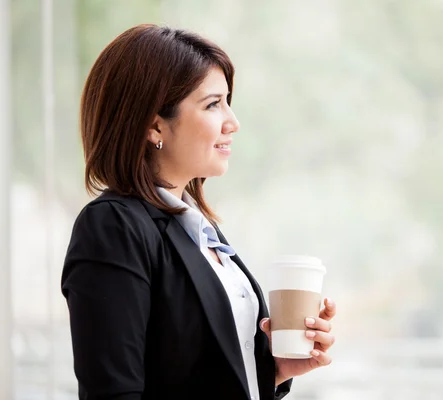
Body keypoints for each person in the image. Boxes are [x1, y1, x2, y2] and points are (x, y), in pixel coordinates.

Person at [61, 24, 337, 400]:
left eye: (228, 101)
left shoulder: (197, 229)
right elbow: (114, 392)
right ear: (154, 125)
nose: (233, 122)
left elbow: (189, 374)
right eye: (212, 104)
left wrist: (272, 371)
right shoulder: (114, 226)